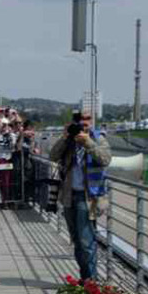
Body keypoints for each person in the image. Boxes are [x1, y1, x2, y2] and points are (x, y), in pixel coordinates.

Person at [49, 112, 111, 280]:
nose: (83, 124)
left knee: (86, 241)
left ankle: (92, 280)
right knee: (76, 240)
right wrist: (65, 137)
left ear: (91, 122)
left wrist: (88, 143)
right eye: (79, 120)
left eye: (86, 120)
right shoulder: (69, 141)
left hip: (88, 197)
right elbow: (52, 156)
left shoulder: (98, 138)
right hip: (69, 195)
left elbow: (105, 159)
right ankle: (85, 277)